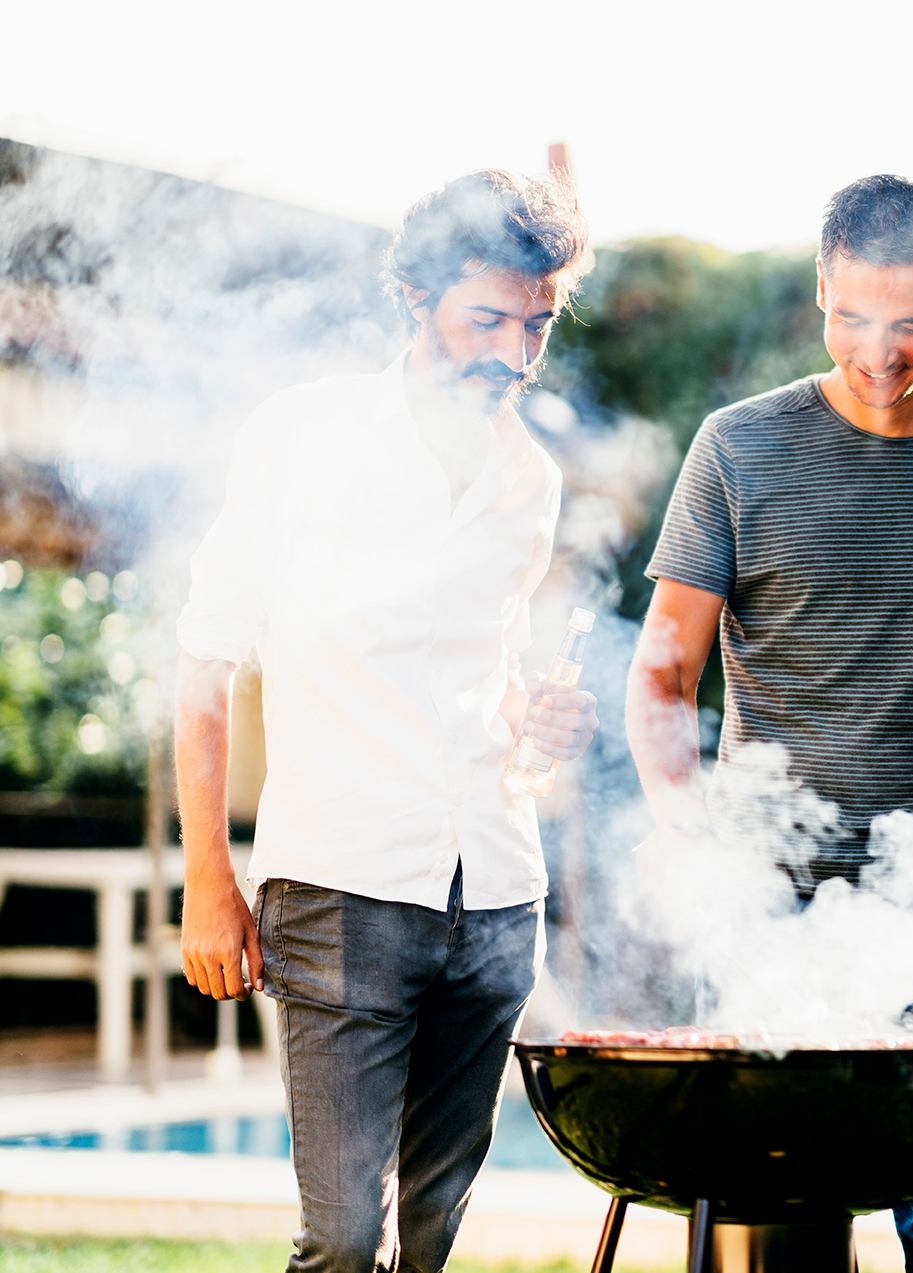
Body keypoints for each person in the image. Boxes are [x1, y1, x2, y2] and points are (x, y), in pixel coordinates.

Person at [626, 173, 913, 1273]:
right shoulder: (738, 448)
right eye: (855, 317)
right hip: (772, 895)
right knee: (763, 1225)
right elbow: (659, 676)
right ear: (821, 289)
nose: (881, 351)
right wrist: (693, 834)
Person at [174, 170, 601, 1273]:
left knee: (428, 1239)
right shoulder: (302, 437)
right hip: (341, 887)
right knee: (344, 1238)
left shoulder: (529, 479)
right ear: (415, 296)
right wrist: (209, 880)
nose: (515, 352)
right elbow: (206, 661)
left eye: (539, 325)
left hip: (497, 890)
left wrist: (534, 720)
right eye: (489, 319)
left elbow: (483, 676)